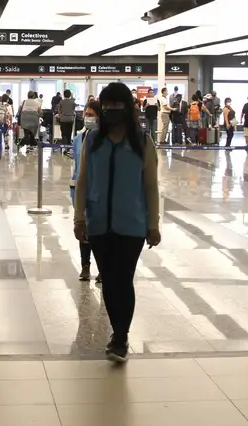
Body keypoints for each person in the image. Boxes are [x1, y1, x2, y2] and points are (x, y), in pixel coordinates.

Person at [73, 83, 161, 364]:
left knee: (123, 279)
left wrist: (153, 223)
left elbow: (150, 186)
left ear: (128, 108)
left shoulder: (142, 141)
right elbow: (83, 180)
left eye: (116, 105)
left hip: (132, 223)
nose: (111, 111)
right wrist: (79, 217)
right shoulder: (93, 139)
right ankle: (118, 332)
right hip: (99, 221)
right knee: (109, 280)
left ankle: (120, 336)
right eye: (106, 106)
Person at [71, 101, 102, 281]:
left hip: (98, 191)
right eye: (86, 114)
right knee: (82, 230)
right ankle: (85, 266)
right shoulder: (78, 138)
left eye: (91, 114)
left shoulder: (103, 139)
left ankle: (102, 268)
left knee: (97, 231)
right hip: (81, 190)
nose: (87, 117)